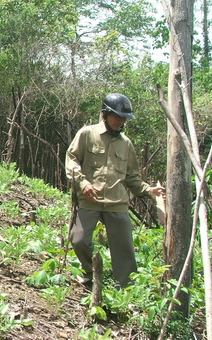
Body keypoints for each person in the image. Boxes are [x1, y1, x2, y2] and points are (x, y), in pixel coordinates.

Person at [65, 93, 166, 288]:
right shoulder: (87, 134)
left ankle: (125, 288)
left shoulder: (126, 143)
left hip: (117, 203)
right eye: (117, 116)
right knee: (78, 240)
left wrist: (150, 191)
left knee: (124, 249)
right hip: (90, 199)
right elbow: (72, 159)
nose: (120, 121)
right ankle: (88, 272)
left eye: (124, 118)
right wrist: (83, 183)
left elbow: (132, 178)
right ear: (105, 114)